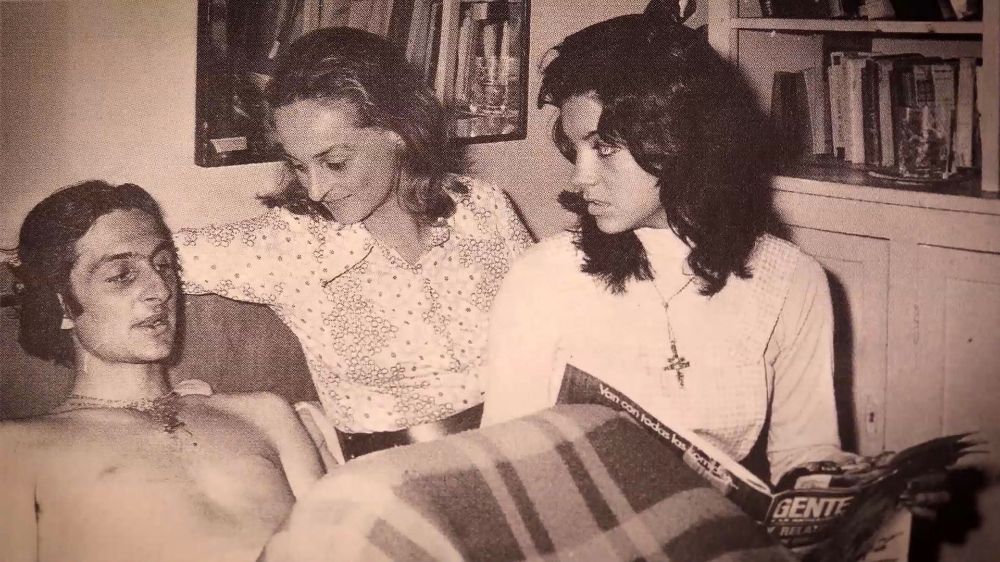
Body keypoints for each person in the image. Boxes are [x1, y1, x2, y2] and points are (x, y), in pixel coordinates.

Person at [481, 11, 860, 486]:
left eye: (602, 149)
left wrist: (857, 496)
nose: (579, 179)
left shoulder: (792, 279)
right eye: (574, 149)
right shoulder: (543, 278)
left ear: (680, 140)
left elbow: (806, 453)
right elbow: (506, 466)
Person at [174, 27, 533, 460]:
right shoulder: (289, 243)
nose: (316, 190)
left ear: (398, 131)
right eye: (299, 166)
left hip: (522, 445)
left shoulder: (482, 206)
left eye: (335, 162)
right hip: (395, 474)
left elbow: (550, 327)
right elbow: (147, 255)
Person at [0, 181, 323, 562]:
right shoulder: (17, 449)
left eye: (164, 265)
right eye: (122, 275)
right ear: (63, 305)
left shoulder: (266, 413)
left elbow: (342, 543)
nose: (161, 289)